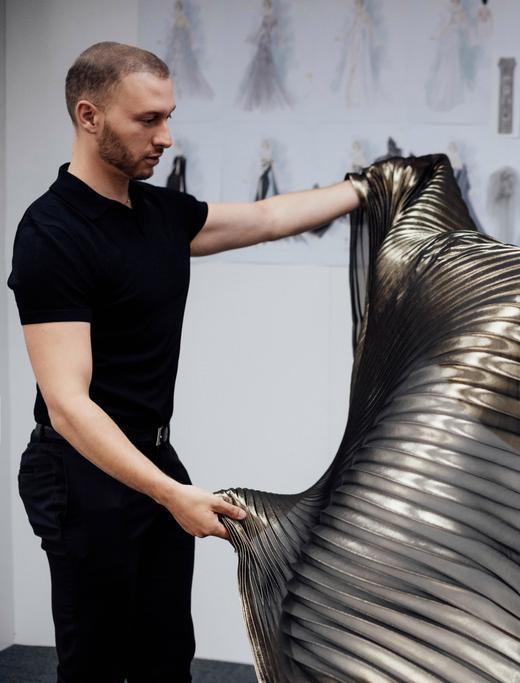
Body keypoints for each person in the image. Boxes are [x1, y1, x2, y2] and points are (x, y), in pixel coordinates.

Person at [7, 42, 360, 682]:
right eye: (148, 120)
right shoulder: (52, 233)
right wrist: (171, 494)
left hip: (154, 460)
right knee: (94, 667)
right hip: (81, 475)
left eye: (168, 117)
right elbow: (68, 405)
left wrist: (365, 187)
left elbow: (269, 216)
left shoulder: (159, 214)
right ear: (89, 116)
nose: (166, 137)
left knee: (166, 659)